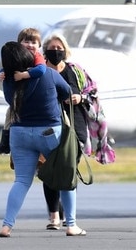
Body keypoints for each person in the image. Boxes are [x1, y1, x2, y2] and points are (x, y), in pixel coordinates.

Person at [0, 41, 86, 237]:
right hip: (49, 131)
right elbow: (66, 93)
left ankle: (6, 225)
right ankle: (71, 225)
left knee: (21, 181)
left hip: (19, 132)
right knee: (65, 177)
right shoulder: (49, 73)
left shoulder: (9, 80)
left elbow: (9, 101)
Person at [40, 33, 114, 231]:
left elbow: (92, 92)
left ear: (65, 50)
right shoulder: (40, 71)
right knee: (49, 169)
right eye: (52, 49)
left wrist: (79, 99)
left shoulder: (76, 71)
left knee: (69, 168)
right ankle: (54, 215)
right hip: (49, 126)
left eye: (59, 48)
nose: (56, 52)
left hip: (76, 125)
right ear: (45, 50)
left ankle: (69, 216)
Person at [0, 27, 46, 155]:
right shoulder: (15, 57)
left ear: (39, 46)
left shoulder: (37, 56)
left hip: (32, 96)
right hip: (18, 97)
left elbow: (41, 70)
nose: (30, 45)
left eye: (33, 43)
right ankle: (5, 142)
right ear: (19, 43)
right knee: (9, 113)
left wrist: (24, 75)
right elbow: (6, 68)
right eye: (26, 42)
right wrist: (2, 73)